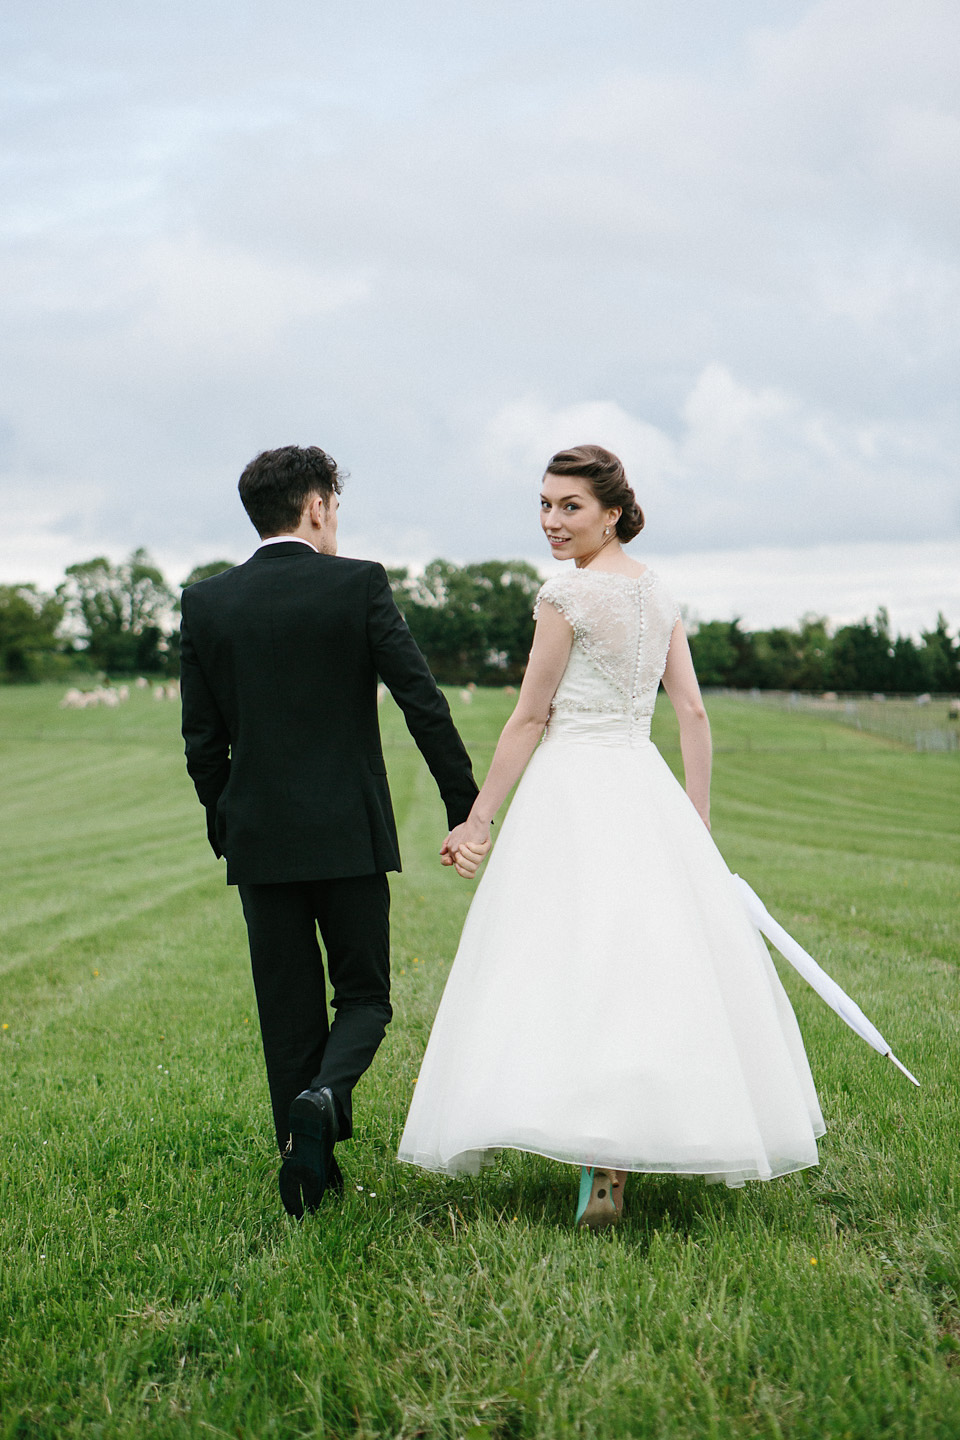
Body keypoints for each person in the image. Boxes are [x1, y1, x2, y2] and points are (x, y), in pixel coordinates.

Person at [401, 444, 824, 1228]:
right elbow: (692, 714)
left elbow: (531, 715)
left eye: (570, 507)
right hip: (643, 786)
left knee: (569, 959)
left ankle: (596, 1152)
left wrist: (480, 817)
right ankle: (611, 1161)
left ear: (613, 513)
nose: (552, 522)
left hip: (572, 788)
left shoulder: (565, 596)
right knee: (642, 962)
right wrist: (696, 822)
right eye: (545, 504)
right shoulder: (659, 594)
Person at [180, 445, 483, 1218]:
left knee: (287, 1014)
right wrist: (464, 805)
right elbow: (422, 701)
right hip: (349, 834)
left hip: (259, 840)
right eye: (335, 506)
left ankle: (308, 1179)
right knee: (365, 998)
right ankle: (325, 1095)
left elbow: (201, 743)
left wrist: (229, 825)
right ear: (316, 506)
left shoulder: (207, 602)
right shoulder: (358, 585)